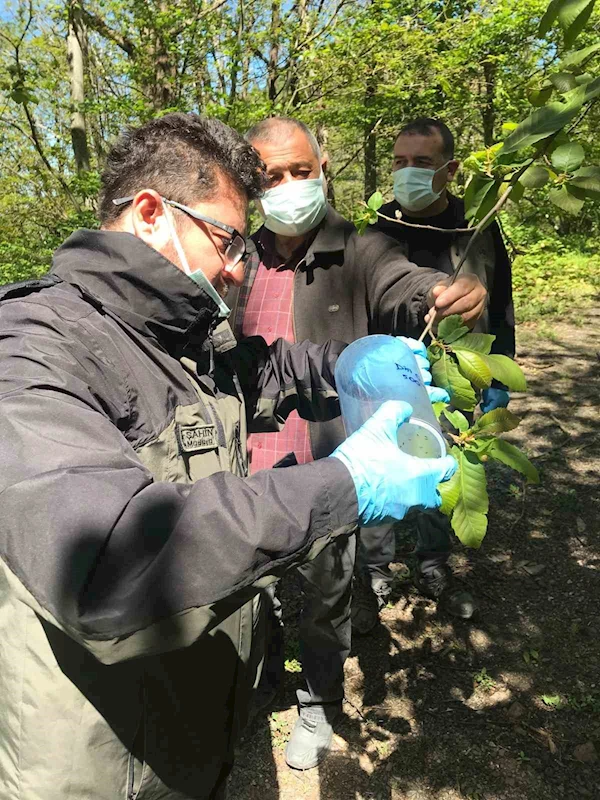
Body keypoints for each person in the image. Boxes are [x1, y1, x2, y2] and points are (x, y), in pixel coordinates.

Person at [0, 112, 458, 800]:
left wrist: (353, 364)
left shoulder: (176, 333)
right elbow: (105, 566)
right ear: (152, 213)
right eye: (227, 239)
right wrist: (342, 485)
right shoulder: (32, 349)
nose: (241, 265)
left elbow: (260, 375)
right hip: (106, 769)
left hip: (196, 730)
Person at [227, 116, 487, 771]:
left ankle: (316, 703)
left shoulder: (358, 247)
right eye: (272, 176)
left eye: (300, 171)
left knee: (327, 588)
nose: (288, 186)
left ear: (323, 171)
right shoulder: (239, 257)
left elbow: (402, 283)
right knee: (247, 588)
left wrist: (436, 294)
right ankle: (257, 685)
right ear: (253, 184)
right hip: (246, 460)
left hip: (331, 459)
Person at [354, 117, 516, 630]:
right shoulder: (378, 230)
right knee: (379, 465)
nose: (407, 173)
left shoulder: (478, 229)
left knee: (438, 469)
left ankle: (432, 562)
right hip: (387, 376)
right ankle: (376, 568)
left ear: (448, 170)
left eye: (421, 163)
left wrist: (498, 379)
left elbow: (502, 304)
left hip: (456, 377)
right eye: (399, 162)